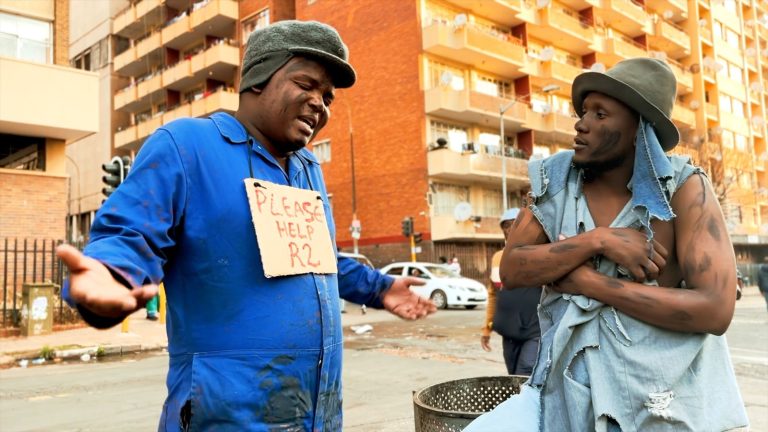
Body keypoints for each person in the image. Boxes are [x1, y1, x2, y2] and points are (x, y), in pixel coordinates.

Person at [56, 20, 435, 431]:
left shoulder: (308, 168)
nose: (320, 104)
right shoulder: (186, 145)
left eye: (328, 97)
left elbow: (313, 258)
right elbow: (130, 235)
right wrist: (112, 274)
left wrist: (379, 288)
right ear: (258, 76)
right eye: (306, 85)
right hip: (222, 418)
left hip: (316, 417)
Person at [466, 58, 748, 431]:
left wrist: (588, 282)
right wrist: (598, 240)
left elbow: (715, 309)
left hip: (659, 400)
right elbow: (513, 269)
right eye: (584, 111)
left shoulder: (684, 187)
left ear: (639, 132)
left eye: (601, 114)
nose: (581, 124)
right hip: (563, 393)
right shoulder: (559, 181)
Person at [480, 208, 541, 375]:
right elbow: (493, 295)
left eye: (515, 224)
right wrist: (487, 329)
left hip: (534, 331)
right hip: (508, 331)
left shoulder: (539, 254)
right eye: (506, 226)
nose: (510, 229)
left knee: (525, 372)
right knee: (513, 374)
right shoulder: (497, 258)